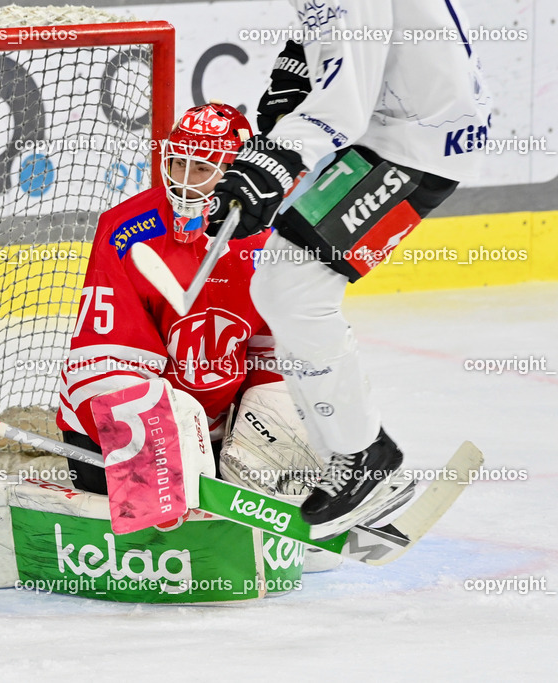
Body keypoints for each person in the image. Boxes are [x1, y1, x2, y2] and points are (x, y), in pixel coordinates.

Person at [205, 0, 492, 539]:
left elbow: (343, 103)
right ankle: (343, 452)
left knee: (293, 289)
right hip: (404, 127)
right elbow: (360, 33)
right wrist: (300, 63)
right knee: (280, 285)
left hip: (415, 139)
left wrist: (276, 156)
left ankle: (364, 457)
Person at [55, 102, 296, 494]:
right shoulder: (128, 229)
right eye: (177, 164)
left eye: (201, 168)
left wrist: (264, 443)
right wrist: (165, 439)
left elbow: (276, 356)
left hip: (218, 432)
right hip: (122, 430)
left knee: (287, 404)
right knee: (146, 404)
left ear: (236, 172)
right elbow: (105, 357)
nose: (184, 181)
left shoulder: (270, 243)